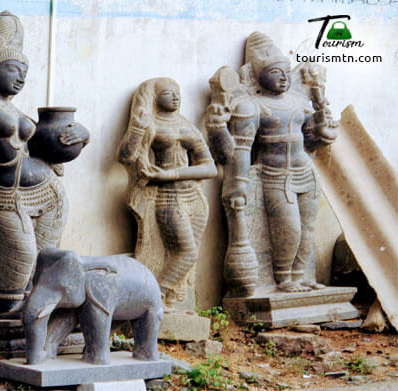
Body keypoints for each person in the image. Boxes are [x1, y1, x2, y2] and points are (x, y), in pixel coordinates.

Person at [0, 12, 88, 315]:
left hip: (50, 195)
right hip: (9, 196)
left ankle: (38, 315)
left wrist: (77, 138)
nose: (21, 77)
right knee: (20, 260)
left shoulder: (13, 109)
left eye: (25, 72)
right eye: (14, 69)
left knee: (45, 261)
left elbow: (42, 147)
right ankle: (9, 314)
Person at [208, 32, 336, 293]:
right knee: (290, 230)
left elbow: (312, 140)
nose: (283, 77)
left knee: (308, 229)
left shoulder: (300, 103)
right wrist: (238, 185)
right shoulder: (251, 106)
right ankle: (283, 278)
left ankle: (302, 276)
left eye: (286, 72)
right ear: (257, 75)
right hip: (275, 173)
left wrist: (323, 119)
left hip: (305, 172)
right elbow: (241, 150)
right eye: (275, 72)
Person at [119, 78, 216, 312]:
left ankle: (173, 301)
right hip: (168, 198)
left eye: (178, 92)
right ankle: (156, 297)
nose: (175, 96)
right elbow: (126, 156)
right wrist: (136, 129)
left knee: (189, 253)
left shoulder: (187, 125)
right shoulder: (149, 124)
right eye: (168, 93)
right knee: (187, 252)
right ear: (154, 98)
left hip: (194, 198)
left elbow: (210, 168)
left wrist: (172, 173)